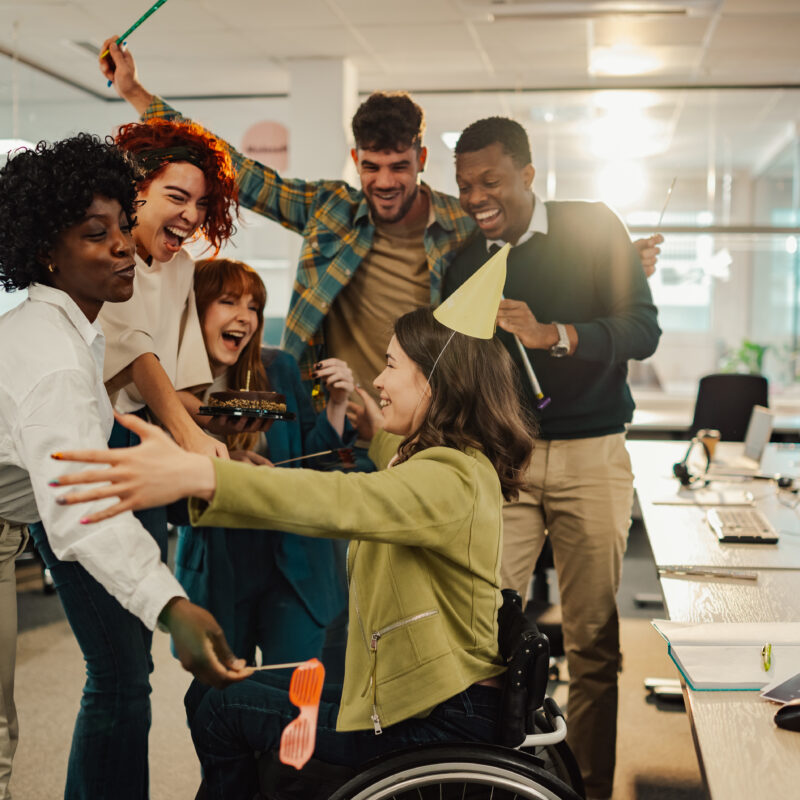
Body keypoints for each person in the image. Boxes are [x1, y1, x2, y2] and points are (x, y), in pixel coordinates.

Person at [51, 306, 535, 798]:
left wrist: (202, 475)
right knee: (217, 698)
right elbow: (394, 459)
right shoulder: (457, 463)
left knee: (224, 709)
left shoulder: (448, 477)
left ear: (434, 382)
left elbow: (341, 500)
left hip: (436, 719)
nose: (379, 378)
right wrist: (375, 425)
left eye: (391, 365)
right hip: (426, 697)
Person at [98, 40, 658, 403]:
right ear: (355, 161)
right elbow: (238, 169)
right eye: (371, 167)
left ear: (421, 160)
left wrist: (614, 265)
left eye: (398, 166)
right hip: (329, 406)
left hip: (420, 417)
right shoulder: (331, 210)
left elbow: (530, 244)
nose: (384, 181)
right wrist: (135, 93)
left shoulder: (461, 227)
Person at [0, 135, 247, 800]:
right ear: (45, 253)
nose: (119, 245)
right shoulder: (52, 359)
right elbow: (81, 513)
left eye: (118, 225)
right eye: (93, 233)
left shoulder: (76, 330)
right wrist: (171, 606)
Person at [443, 117, 662, 800]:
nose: (477, 197)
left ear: (528, 175)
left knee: (594, 638)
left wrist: (552, 334)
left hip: (592, 456)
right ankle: (500, 782)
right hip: (504, 464)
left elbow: (642, 330)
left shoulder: (594, 228)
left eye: (491, 182)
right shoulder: (462, 261)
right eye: (465, 186)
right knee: (484, 631)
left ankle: (590, 788)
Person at [175, 258, 355, 666]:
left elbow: (315, 456)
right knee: (217, 704)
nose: (245, 317)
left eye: (254, 307)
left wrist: (338, 404)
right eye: (228, 302)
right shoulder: (165, 384)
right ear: (195, 307)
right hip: (220, 563)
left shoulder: (279, 368)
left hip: (294, 562)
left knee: (296, 700)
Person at [99, 115, 238, 461]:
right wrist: (192, 437)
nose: (192, 216)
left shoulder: (181, 267)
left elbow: (173, 387)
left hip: (143, 431)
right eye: (178, 198)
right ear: (134, 189)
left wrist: (216, 429)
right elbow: (137, 358)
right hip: (94, 426)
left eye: (202, 204)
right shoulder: (102, 259)